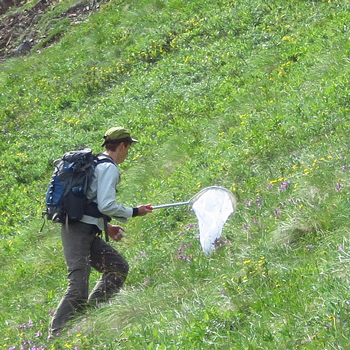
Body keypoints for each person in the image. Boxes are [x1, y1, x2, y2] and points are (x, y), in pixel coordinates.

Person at [48, 126, 152, 339]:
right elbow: (106, 205)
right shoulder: (109, 168)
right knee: (78, 287)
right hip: (77, 231)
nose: (128, 153)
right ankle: (56, 337)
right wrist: (134, 211)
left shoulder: (95, 163)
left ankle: (90, 316)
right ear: (122, 145)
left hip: (83, 228)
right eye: (128, 147)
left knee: (117, 267)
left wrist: (107, 226)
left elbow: (90, 203)